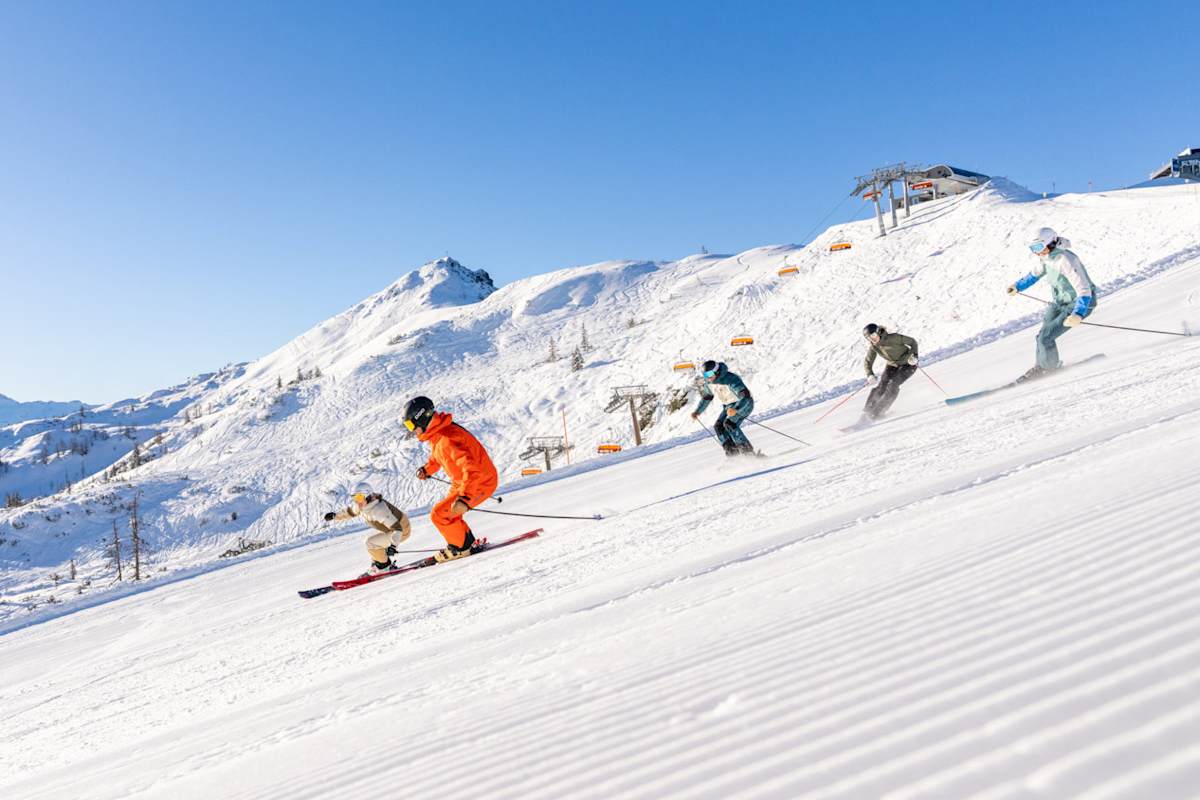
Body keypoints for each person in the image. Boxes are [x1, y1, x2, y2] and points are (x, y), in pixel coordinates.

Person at [404, 396, 499, 562]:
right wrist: (427, 470)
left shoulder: (448, 438)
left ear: (422, 418)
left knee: (439, 514)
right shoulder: (438, 435)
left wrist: (465, 497)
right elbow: (437, 458)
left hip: (480, 482)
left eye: (411, 425)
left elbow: (471, 468)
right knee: (449, 513)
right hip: (463, 482)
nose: (411, 430)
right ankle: (465, 543)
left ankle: (461, 548)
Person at [1006, 226, 1097, 381]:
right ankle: (1043, 365)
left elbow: (1084, 289)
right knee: (1041, 336)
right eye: (1033, 248)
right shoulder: (1046, 258)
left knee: (1045, 338)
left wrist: (1078, 313)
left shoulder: (1066, 259)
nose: (1037, 252)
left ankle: (1048, 368)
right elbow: (1034, 274)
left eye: (1039, 247)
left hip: (1079, 304)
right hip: (1059, 302)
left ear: (1051, 243)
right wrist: (1017, 286)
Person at [324, 482, 412, 576]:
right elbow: (350, 512)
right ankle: (378, 564)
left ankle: (384, 567)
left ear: (367, 495)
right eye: (354, 498)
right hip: (394, 529)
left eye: (359, 497)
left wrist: (393, 546)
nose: (356, 501)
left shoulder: (378, 509)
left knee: (371, 542)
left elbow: (397, 529)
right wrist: (335, 516)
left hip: (402, 530)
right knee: (373, 544)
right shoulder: (361, 505)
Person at [691, 360, 755, 456]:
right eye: (705, 375)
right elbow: (707, 397)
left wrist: (736, 409)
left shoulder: (731, 379)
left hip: (744, 404)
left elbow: (745, 396)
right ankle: (733, 454)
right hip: (728, 407)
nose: (708, 377)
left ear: (716, 371)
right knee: (718, 426)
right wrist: (697, 411)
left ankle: (748, 453)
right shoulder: (709, 383)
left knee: (729, 424)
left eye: (709, 374)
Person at [861, 323, 919, 421]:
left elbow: (913, 342)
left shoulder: (894, 338)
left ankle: (878, 412)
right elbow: (868, 361)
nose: (873, 339)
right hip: (892, 365)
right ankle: (868, 412)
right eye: (869, 338)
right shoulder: (874, 346)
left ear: (878, 332)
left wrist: (915, 356)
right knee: (881, 386)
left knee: (893, 385)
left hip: (908, 364)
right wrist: (870, 375)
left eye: (873, 335)